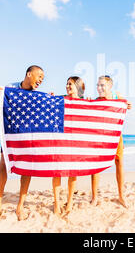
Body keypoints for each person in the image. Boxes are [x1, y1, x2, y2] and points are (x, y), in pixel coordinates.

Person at [0, 65, 45, 221]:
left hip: (28, 134)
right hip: (11, 133)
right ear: (28, 74)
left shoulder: (38, 95)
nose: (41, 80)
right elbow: (2, 110)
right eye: (39, 76)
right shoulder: (10, 88)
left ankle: (20, 206)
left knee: (27, 168)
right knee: (3, 164)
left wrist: (49, 99)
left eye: (42, 79)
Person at [91, 75, 131, 208]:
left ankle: (121, 195)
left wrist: (127, 104)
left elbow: (124, 106)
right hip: (101, 136)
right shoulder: (97, 100)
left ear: (110, 86)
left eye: (102, 85)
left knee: (119, 162)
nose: (99, 88)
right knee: (96, 166)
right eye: (98, 85)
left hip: (115, 135)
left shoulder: (116, 96)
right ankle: (95, 197)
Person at [52, 76, 85, 216]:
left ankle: (70, 201)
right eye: (66, 83)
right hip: (61, 138)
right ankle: (56, 203)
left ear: (78, 86)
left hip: (76, 141)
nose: (67, 86)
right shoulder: (60, 99)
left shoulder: (85, 102)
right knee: (57, 171)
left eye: (70, 84)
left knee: (73, 172)